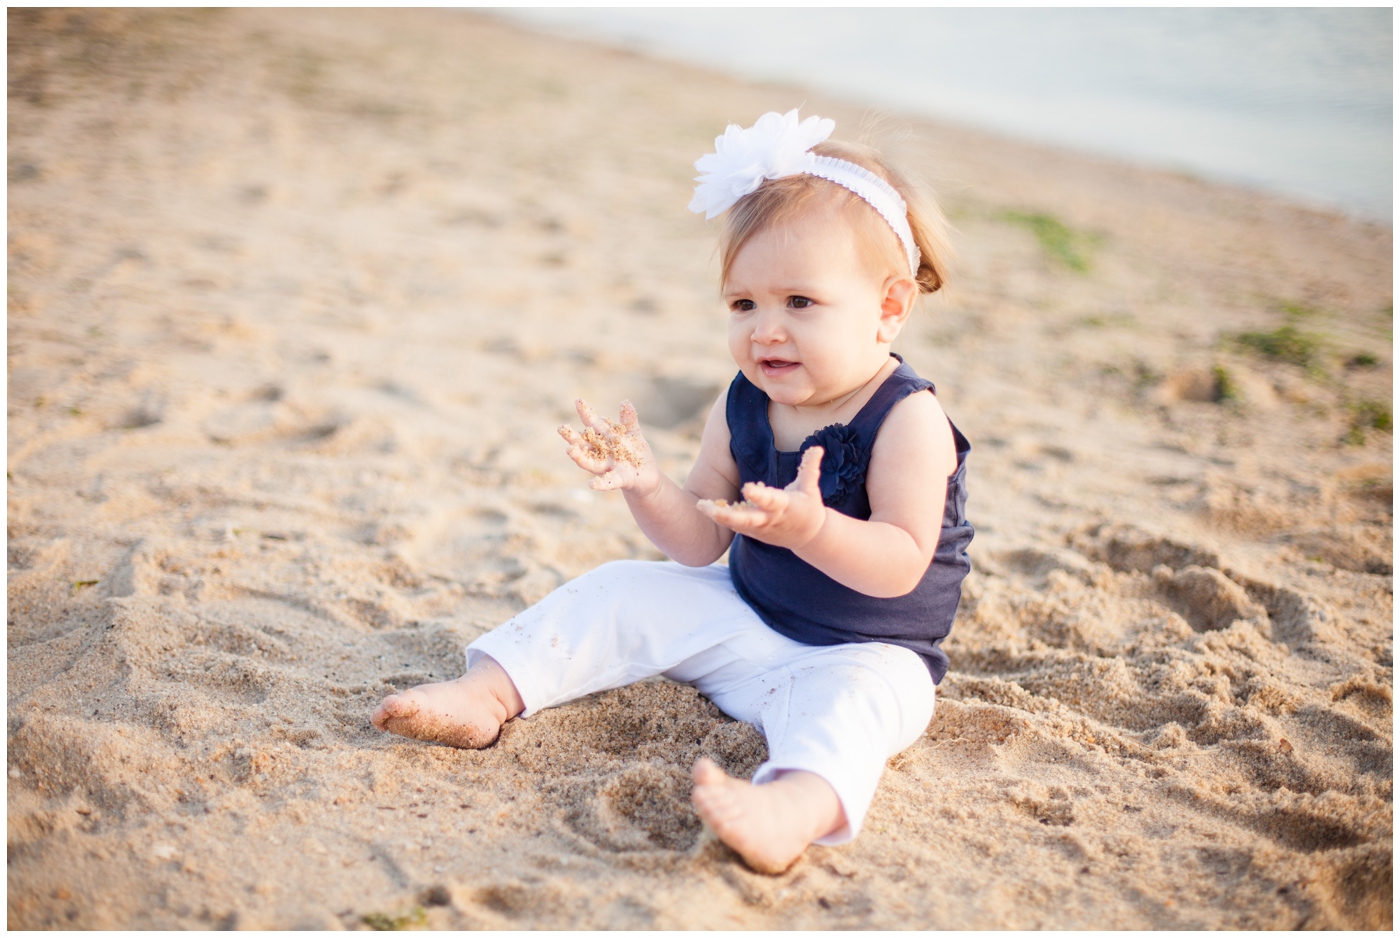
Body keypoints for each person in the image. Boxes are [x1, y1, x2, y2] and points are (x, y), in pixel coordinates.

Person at [372, 110, 973, 874]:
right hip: (744, 622)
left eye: (800, 303)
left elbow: (900, 563)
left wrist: (814, 530)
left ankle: (789, 806)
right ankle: (484, 696)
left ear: (888, 308)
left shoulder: (908, 418)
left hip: (867, 652)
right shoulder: (746, 400)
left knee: (854, 712)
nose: (765, 331)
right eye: (743, 304)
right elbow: (699, 542)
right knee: (622, 589)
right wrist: (646, 483)